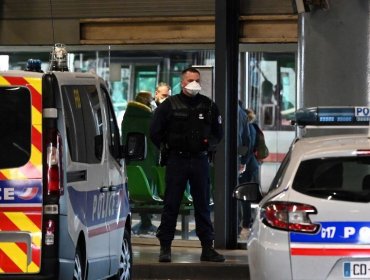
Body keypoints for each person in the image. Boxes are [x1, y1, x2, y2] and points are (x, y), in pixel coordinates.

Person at [150, 67, 225, 263]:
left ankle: (207, 248)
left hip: (200, 159)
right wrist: (167, 148)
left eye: (197, 80)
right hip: (177, 159)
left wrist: (210, 146)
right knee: (171, 204)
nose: (194, 84)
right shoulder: (168, 106)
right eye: (190, 80)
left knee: (203, 205)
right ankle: (165, 247)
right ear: (182, 82)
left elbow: (218, 132)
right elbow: (155, 132)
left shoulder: (208, 106)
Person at [121, 90, 159, 234]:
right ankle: (146, 222)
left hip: (131, 162)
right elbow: (155, 143)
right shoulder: (149, 119)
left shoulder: (127, 117)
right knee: (148, 192)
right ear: (147, 103)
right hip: (147, 161)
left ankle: (142, 222)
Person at [238, 108, 260, 233]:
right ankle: (246, 221)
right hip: (252, 164)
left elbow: (248, 145)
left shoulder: (248, 127)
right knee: (245, 194)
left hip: (247, 165)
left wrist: (243, 162)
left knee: (242, 194)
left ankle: (245, 222)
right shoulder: (254, 127)